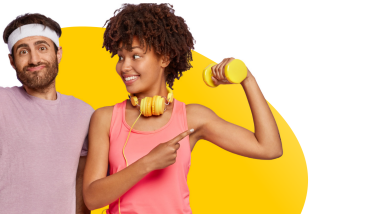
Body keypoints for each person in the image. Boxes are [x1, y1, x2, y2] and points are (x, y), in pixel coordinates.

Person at [83, 3, 283, 214]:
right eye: (121, 57)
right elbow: (92, 198)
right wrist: (148, 163)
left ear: (164, 58)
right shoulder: (106, 118)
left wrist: (247, 80)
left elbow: (269, 148)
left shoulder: (192, 118)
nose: (124, 67)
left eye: (136, 56)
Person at [0, 13, 92, 214]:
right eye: (23, 51)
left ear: (58, 53)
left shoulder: (84, 113)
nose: (34, 59)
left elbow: (81, 182)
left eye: (42, 48)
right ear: (12, 61)